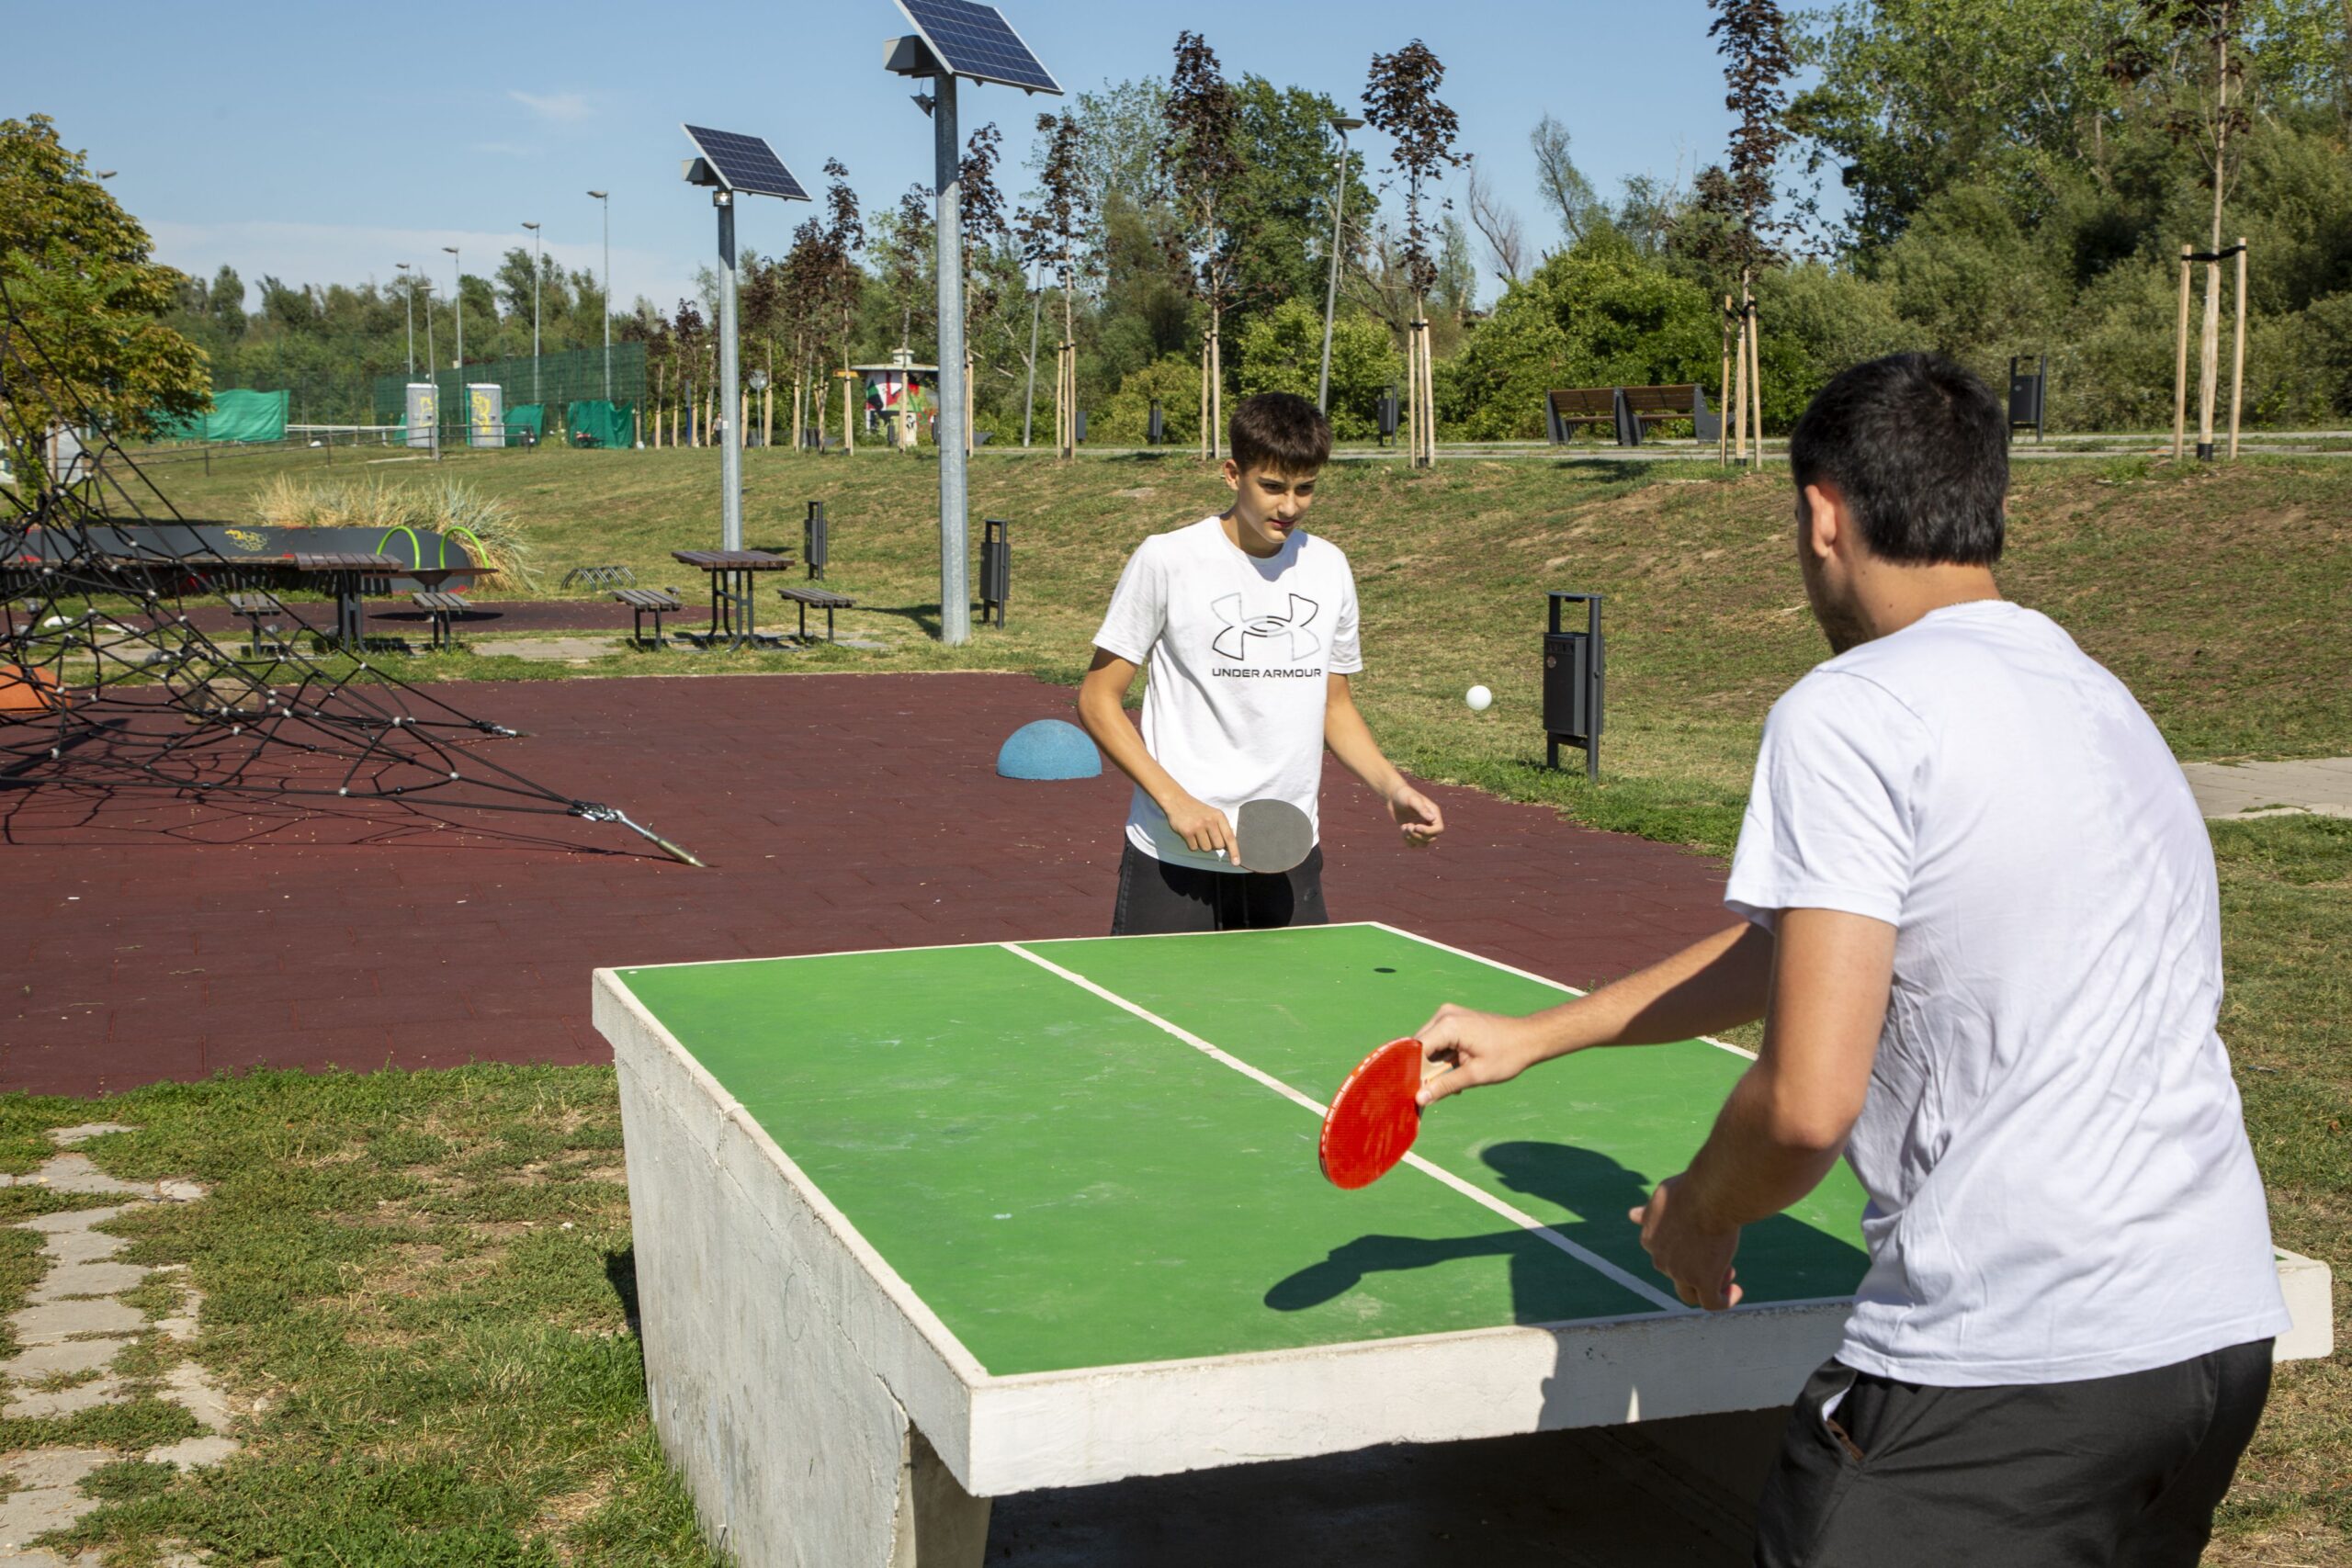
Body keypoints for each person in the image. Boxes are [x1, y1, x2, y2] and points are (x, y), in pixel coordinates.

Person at [1415, 353, 2290, 1566]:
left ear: (1824, 514)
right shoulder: (2091, 691)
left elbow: (1804, 1103)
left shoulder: (1851, 711)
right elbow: (1797, 947)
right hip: (2208, 1338)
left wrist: (1697, 1211)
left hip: (2009, 1362)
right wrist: (1537, 1034)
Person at [1077, 391, 1444, 934]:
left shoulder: (1329, 567)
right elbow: (1097, 698)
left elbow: (1335, 707)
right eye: (1272, 487)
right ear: (1233, 474)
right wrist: (1176, 802)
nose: (1289, 507)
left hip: (1286, 851)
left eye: (1305, 488)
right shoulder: (1168, 558)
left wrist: (1394, 788)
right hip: (1174, 854)